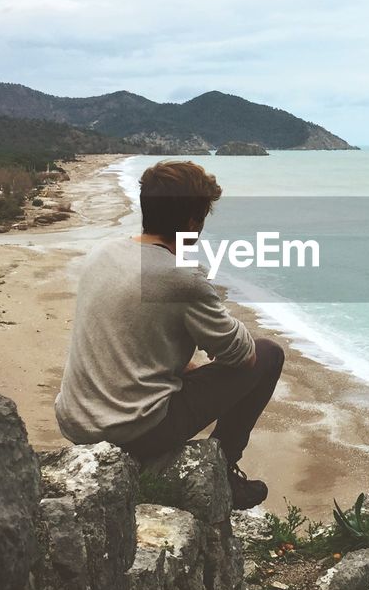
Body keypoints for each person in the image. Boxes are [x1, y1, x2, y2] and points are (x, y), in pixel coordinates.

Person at [55, 160, 284, 509]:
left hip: (76, 418)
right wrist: (206, 290)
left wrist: (183, 360)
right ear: (193, 223)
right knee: (270, 354)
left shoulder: (103, 252)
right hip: (133, 429)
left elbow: (135, 335)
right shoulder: (181, 278)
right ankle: (223, 467)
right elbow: (243, 355)